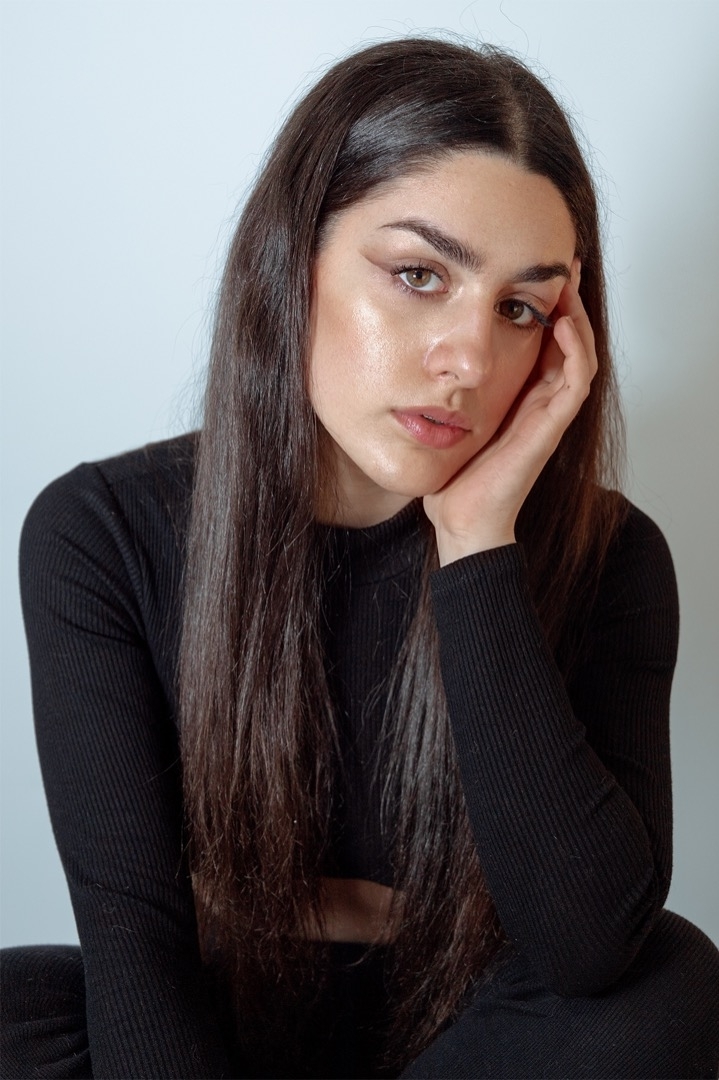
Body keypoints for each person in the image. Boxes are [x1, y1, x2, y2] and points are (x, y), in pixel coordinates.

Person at [2, 36, 718, 1080]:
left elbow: (589, 948)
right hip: (222, 1024)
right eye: (418, 275)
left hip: (475, 1040)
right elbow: (138, 949)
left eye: (518, 308)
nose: (468, 359)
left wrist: (476, 546)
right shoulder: (101, 531)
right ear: (290, 261)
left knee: (671, 982)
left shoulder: (610, 559)